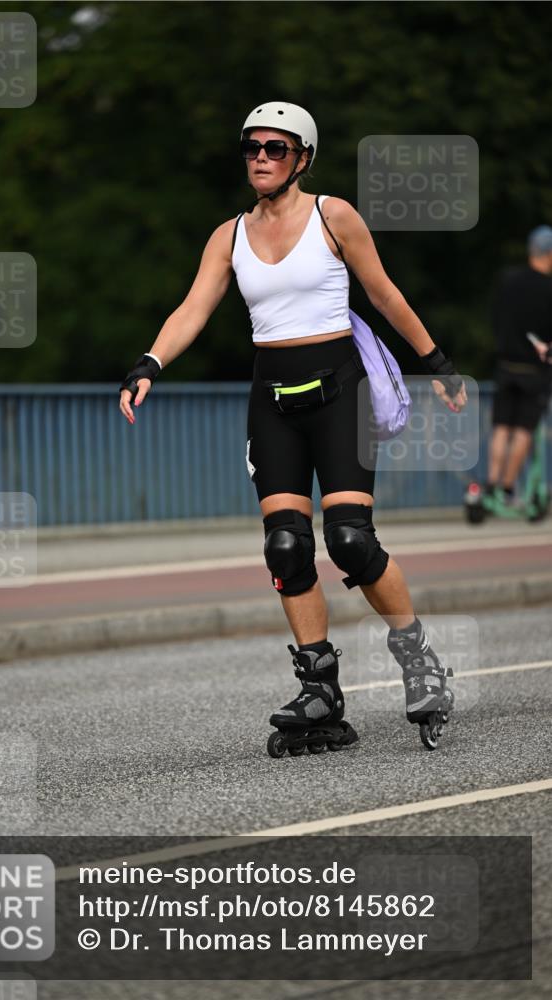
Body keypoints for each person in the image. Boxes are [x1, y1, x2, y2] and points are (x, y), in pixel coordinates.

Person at [119, 102, 467, 752]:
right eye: (251, 147)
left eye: (274, 148)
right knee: (285, 546)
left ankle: (418, 661)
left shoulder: (332, 217)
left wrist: (436, 363)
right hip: (271, 396)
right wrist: (150, 363)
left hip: (341, 391)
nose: (259, 157)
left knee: (350, 541)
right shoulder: (227, 235)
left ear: (301, 157)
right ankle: (319, 688)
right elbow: (194, 305)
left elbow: (384, 293)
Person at [485, 225, 552, 502]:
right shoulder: (548, 288)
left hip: (505, 364)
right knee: (524, 430)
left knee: (501, 427)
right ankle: (508, 487)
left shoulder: (508, 280)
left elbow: (496, 317)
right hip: (534, 370)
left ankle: (490, 483)